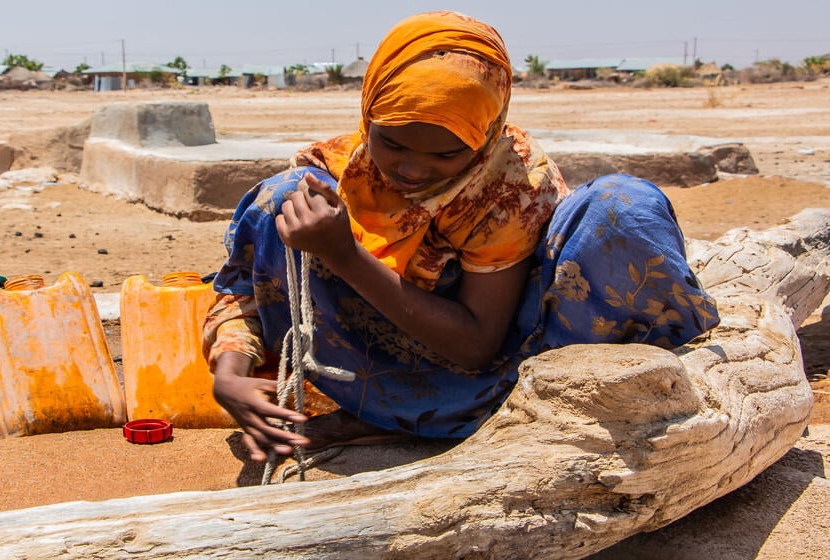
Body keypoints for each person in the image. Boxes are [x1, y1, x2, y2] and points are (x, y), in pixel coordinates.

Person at [203, 11, 719, 463]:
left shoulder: (512, 190)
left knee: (622, 209)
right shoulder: (338, 172)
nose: (410, 168)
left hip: (517, 364)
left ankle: (453, 414)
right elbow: (245, 287)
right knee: (280, 199)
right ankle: (388, 408)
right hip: (390, 366)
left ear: (487, 132)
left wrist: (345, 253)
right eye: (392, 142)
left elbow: (477, 347)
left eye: (445, 155)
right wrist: (230, 371)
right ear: (368, 115)